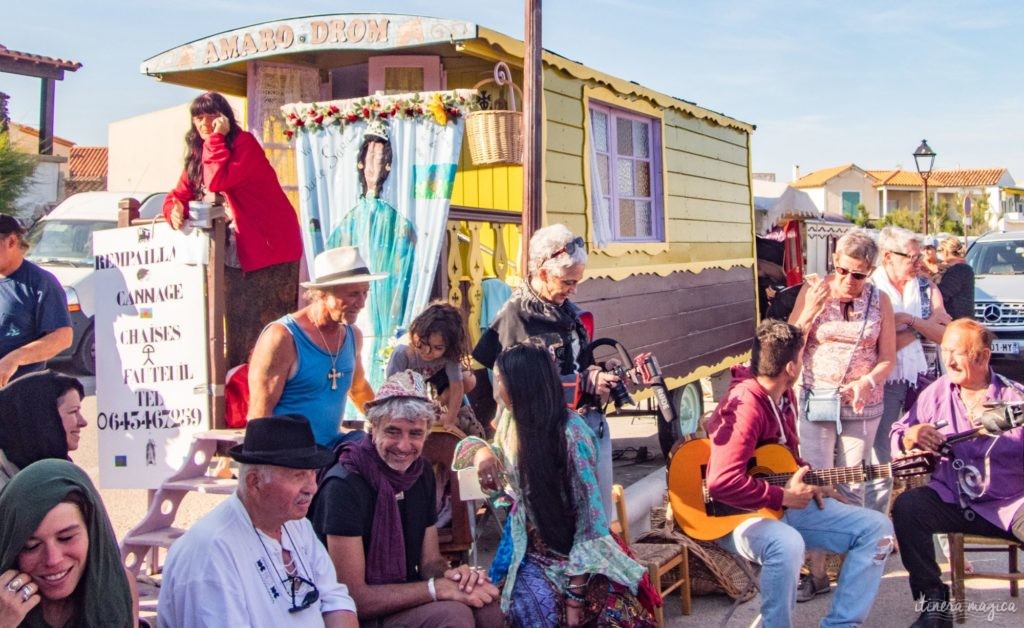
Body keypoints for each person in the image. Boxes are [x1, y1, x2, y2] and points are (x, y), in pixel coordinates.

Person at [705, 319, 894, 628]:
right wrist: (784, 496)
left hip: (776, 506)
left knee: (878, 529)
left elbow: (781, 459)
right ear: (791, 368)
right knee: (787, 544)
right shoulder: (746, 405)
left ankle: (842, 624)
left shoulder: (783, 397)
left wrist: (811, 480)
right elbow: (721, 482)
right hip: (731, 515)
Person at [454, 343, 654, 627]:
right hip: (528, 548)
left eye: (498, 380)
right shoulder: (511, 422)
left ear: (521, 384)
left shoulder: (571, 433)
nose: (495, 389)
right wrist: (482, 452)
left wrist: (575, 596)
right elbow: (499, 463)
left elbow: (590, 521)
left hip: (579, 558)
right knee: (511, 609)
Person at [308, 370, 503, 628]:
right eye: (393, 431)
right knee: (454, 617)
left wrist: (455, 577)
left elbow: (430, 561)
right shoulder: (345, 485)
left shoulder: (420, 474)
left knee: (488, 605)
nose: (403, 445)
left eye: (415, 433)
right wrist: (436, 589)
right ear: (373, 429)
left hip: (406, 595)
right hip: (358, 612)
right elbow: (353, 596)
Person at [473, 223, 620, 519]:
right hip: (541, 441)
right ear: (542, 273)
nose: (573, 289)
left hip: (582, 428)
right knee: (558, 525)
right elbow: (517, 390)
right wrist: (583, 382)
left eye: (577, 282)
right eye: (567, 282)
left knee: (595, 520)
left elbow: (575, 359)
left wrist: (599, 370)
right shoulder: (516, 317)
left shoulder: (565, 309)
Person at [158, 415, 357, 627]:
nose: (312, 488)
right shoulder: (211, 550)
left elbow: (334, 600)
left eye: (312, 474)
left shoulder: (296, 523)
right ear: (255, 482)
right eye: (298, 476)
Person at [890, 319, 1024, 628]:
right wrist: (913, 435)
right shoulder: (937, 392)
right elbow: (899, 433)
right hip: (954, 499)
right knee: (909, 508)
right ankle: (934, 604)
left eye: (958, 353)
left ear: (983, 356)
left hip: (1010, 504)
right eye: (945, 350)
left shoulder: (1015, 397)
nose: (949, 360)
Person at [787, 229, 896, 600]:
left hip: (862, 403)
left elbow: (887, 358)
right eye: (842, 270)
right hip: (817, 398)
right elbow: (789, 344)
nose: (848, 281)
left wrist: (867, 381)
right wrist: (811, 311)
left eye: (858, 274)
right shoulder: (815, 290)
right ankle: (815, 574)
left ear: (871, 272)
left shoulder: (879, 301)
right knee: (815, 483)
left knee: (854, 484)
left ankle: (854, 574)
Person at [163, 91, 303, 369]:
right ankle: (236, 397)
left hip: (269, 252)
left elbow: (216, 180)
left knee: (268, 333)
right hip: (233, 256)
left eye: (211, 117)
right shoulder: (198, 154)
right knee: (236, 331)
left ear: (224, 118)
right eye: (199, 118)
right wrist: (174, 209)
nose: (204, 124)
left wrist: (216, 139)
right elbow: (178, 193)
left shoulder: (244, 144)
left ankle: (269, 397)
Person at [248, 246, 382, 447]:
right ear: (321, 294)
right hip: (288, 456)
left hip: (330, 453)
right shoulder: (283, 337)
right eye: (353, 294)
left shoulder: (353, 336)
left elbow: (359, 387)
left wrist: (389, 421)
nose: (361, 303)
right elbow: (260, 413)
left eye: (365, 293)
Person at [866, 226, 951, 513]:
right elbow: (877, 344)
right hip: (884, 380)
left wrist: (909, 320)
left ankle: (940, 540)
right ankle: (879, 529)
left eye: (919, 257)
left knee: (932, 453)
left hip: (924, 380)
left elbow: (945, 334)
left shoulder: (927, 287)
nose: (919, 264)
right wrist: (921, 328)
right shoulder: (870, 290)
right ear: (888, 256)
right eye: (912, 258)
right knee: (880, 456)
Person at [327, 120, 417, 386]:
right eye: (369, 158)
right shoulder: (352, 216)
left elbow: (405, 248)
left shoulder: (392, 218)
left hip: (383, 298)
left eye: (380, 159)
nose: (373, 166)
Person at [0, 459, 137, 628]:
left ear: (92, 532)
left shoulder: (116, 586)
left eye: (66, 538)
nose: (53, 559)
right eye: (32, 546)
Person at [386, 302, 482, 436]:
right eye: (423, 344)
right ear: (415, 335)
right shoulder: (402, 353)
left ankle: (449, 413)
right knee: (410, 414)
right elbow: (391, 393)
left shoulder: (450, 354)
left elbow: (457, 387)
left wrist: (449, 421)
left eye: (438, 348)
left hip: (437, 375)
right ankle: (458, 419)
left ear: (449, 347)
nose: (427, 352)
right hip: (407, 384)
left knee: (469, 379)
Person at [0, 215, 71, 387]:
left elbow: (63, 337)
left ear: (11, 241)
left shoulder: (41, 283)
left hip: (19, 393)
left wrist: (14, 359)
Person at [0, 370, 87, 492]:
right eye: (73, 411)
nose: (83, 422)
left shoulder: (60, 470)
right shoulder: (6, 485)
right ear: (43, 418)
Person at [936, 237, 975, 321]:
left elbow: (943, 293)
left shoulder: (958, 270)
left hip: (957, 321)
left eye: (940, 251)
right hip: (964, 319)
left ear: (945, 252)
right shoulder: (965, 268)